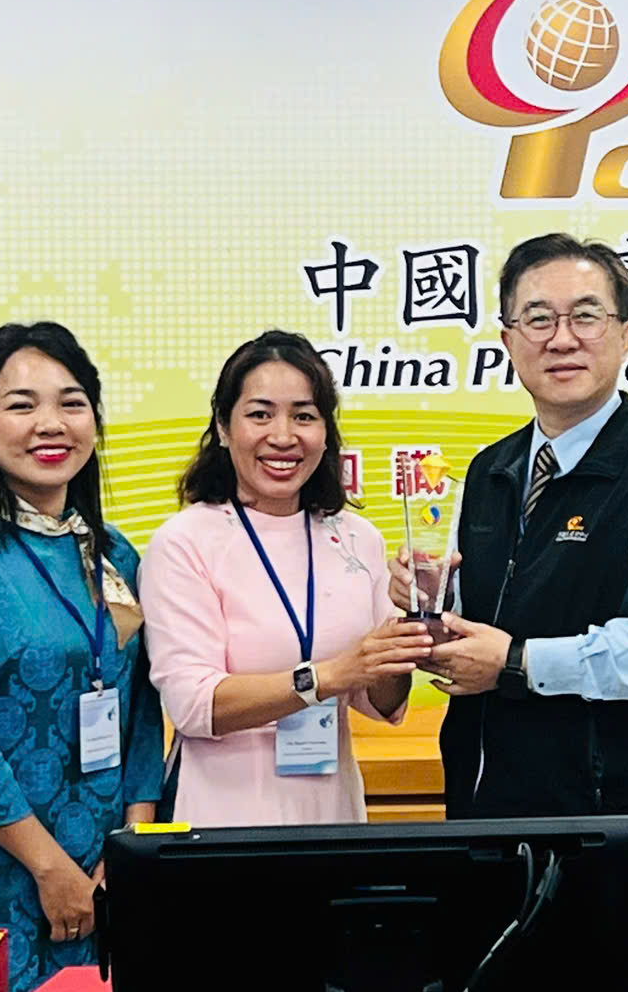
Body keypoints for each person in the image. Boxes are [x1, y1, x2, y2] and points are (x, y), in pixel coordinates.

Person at [414, 233, 628, 974]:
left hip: (613, 844)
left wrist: (516, 663)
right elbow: (485, 622)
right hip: (486, 833)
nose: (562, 338)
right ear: (507, 339)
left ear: (625, 333)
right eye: (538, 318)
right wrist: (431, 606)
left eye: (586, 316)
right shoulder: (489, 472)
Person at [0, 322, 162, 992]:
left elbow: (141, 707)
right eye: (21, 405)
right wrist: (49, 868)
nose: (51, 423)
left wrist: (128, 850)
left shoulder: (115, 555)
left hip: (101, 866)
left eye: (72, 403)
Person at [139, 331, 430, 825]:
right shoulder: (185, 541)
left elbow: (381, 702)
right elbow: (194, 704)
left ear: (326, 431)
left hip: (331, 815)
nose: (283, 436)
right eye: (260, 414)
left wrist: (409, 624)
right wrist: (328, 676)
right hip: (220, 820)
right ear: (223, 427)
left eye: (304, 416)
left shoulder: (356, 537)